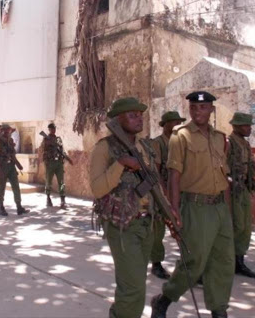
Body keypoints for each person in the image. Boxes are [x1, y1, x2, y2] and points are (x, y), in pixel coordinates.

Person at [151, 91, 233, 318]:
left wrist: (227, 212)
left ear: (211, 110)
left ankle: (219, 310)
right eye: (194, 108)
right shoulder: (181, 136)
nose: (199, 112)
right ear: (190, 110)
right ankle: (164, 299)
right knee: (194, 263)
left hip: (219, 208)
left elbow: (224, 177)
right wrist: (174, 211)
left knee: (223, 262)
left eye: (204, 107)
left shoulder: (219, 138)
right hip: (195, 207)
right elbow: (174, 176)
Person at [91, 97, 172, 318]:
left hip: (147, 223)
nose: (139, 119)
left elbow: (154, 182)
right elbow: (97, 189)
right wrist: (121, 164)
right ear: (118, 120)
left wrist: (168, 212)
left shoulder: (144, 145)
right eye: (133, 115)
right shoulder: (105, 147)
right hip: (123, 224)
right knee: (132, 289)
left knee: (136, 284)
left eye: (140, 115)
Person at [228, 112, 255, 278]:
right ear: (236, 126)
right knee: (236, 226)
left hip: (243, 189)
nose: (249, 129)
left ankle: (239, 261)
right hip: (232, 191)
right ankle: (229, 261)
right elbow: (223, 168)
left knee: (245, 227)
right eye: (246, 126)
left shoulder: (245, 144)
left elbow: (250, 170)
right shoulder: (229, 143)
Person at [149, 111, 186, 280]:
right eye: (174, 122)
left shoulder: (181, 142)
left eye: (179, 122)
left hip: (180, 191)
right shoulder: (158, 144)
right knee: (158, 230)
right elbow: (155, 170)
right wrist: (165, 193)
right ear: (165, 125)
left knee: (183, 226)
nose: (177, 125)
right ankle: (156, 263)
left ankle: (188, 262)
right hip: (161, 192)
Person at [0, 124, 29, 216]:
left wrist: (18, 164)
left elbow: (12, 155)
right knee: (2, 187)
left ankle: (19, 207)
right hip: (3, 167)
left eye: (8, 130)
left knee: (16, 186)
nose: (7, 132)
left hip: (11, 167)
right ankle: (1, 207)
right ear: (2, 131)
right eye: (5, 130)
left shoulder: (10, 140)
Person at [40, 122, 72, 209]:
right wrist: (48, 142)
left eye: (54, 128)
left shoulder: (58, 139)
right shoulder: (46, 139)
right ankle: (48, 197)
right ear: (49, 130)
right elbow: (42, 149)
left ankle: (62, 199)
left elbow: (62, 149)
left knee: (61, 182)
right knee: (48, 181)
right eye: (51, 129)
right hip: (50, 163)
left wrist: (66, 157)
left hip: (58, 163)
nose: (53, 130)